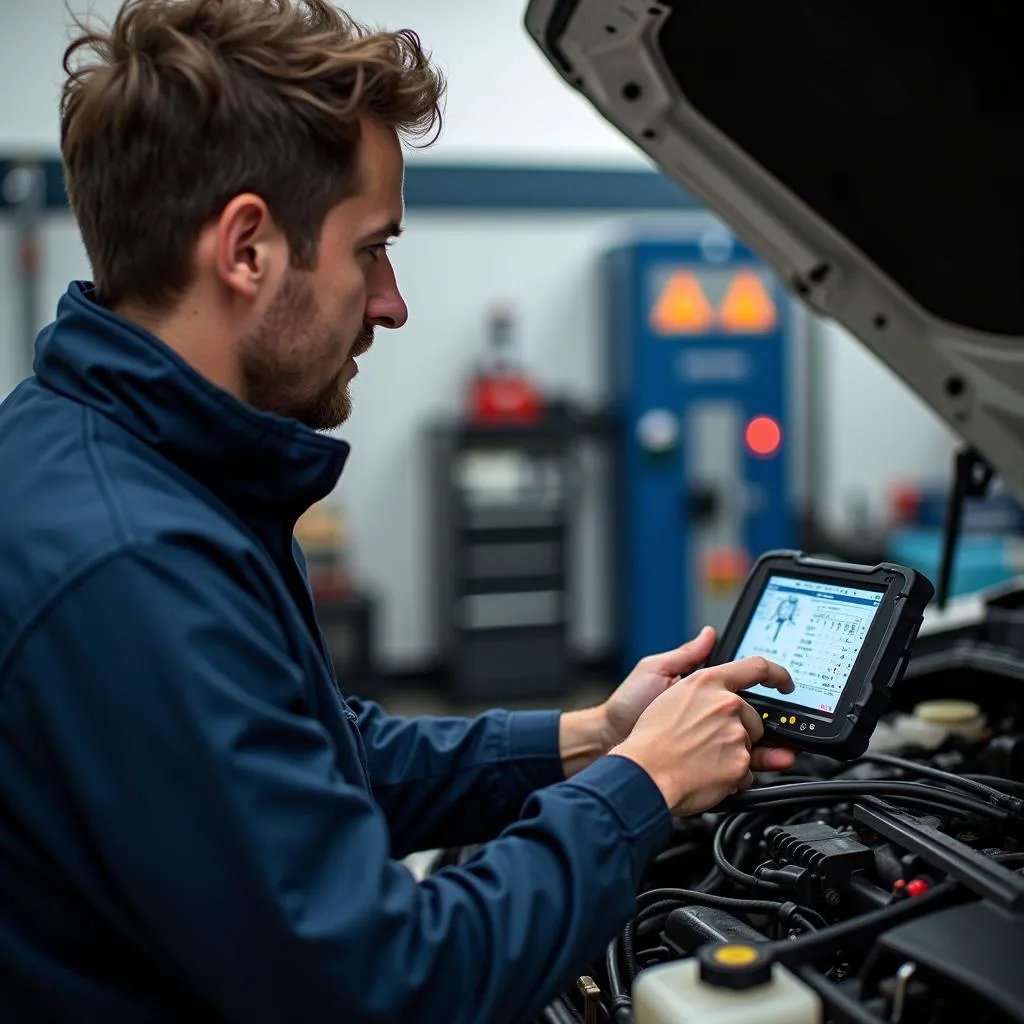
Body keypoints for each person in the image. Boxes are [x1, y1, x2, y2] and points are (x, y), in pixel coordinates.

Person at [0, 1, 796, 1021]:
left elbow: (314, 760)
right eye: (371, 249)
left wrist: (593, 735)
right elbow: (390, 985)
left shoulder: (128, 459)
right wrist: (638, 790)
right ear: (247, 248)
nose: (392, 302)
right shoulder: (131, 563)